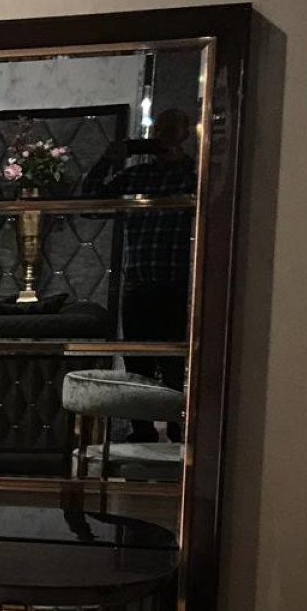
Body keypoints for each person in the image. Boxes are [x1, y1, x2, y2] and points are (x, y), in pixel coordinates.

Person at [83, 108, 196, 438]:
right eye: (159, 129)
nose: (162, 136)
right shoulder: (138, 175)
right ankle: (141, 430)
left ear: (185, 134)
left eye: (171, 129)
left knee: (174, 362)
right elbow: (90, 200)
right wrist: (109, 159)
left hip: (176, 282)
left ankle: (178, 429)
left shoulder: (192, 174)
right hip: (138, 282)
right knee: (137, 363)